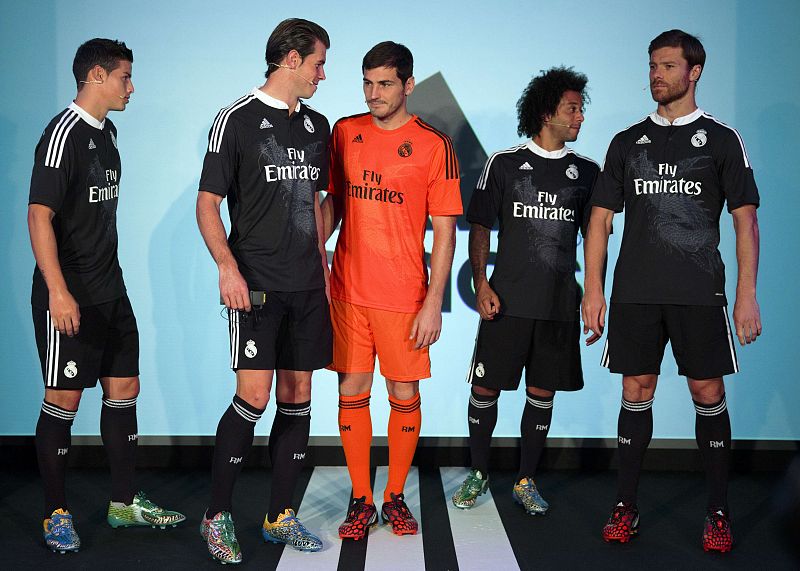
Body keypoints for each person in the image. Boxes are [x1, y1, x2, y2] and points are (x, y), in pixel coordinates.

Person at [582, 29, 761, 552]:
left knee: (707, 393)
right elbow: (598, 221)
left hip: (699, 292)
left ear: (694, 71)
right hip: (635, 294)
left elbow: (745, 222)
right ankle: (625, 507)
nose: (655, 75)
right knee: (635, 390)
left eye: (666, 66)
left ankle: (719, 512)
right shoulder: (626, 142)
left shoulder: (722, 140)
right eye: (652, 66)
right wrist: (593, 290)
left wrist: (747, 294)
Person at [28, 38, 185, 555]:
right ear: (96, 76)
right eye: (124, 77)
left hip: (110, 290)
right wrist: (58, 291)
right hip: (69, 295)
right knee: (64, 402)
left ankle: (123, 502)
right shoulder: (61, 134)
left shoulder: (108, 132)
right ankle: (56, 515)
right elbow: (39, 216)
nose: (131, 87)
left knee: (126, 387)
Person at [195, 18, 331, 563]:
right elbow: (208, 205)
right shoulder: (236, 119)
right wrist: (228, 270)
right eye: (319, 62)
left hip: (307, 288)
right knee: (253, 398)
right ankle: (216, 516)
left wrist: (325, 251)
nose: (324, 73)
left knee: (299, 400)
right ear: (291, 60)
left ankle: (279, 517)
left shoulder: (318, 125)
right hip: (255, 288)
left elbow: (322, 203)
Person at [321, 41, 462, 540]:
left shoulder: (434, 144)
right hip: (348, 291)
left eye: (384, 84)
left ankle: (394, 496)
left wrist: (432, 303)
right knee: (351, 391)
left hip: (404, 297)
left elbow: (444, 229)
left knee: (404, 392)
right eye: (367, 82)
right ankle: (361, 499)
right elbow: (333, 203)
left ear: (408, 85)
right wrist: (311, 244)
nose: (373, 93)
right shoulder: (344, 132)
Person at [452, 67, 598, 514]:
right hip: (507, 302)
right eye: (571, 109)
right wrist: (480, 282)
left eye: (580, 109)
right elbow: (479, 226)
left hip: (557, 306)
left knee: (542, 394)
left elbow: (598, 237)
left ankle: (526, 479)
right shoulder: (505, 163)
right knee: (486, 391)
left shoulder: (588, 172)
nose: (579, 118)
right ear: (545, 111)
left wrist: (594, 293)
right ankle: (478, 473)